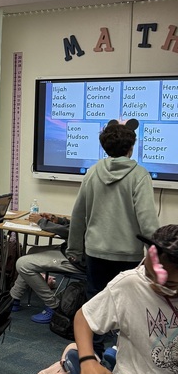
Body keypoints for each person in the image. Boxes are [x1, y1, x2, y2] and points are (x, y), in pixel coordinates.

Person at [74, 225, 178, 374]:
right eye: (151, 274)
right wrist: (88, 360)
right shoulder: (130, 284)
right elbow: (83, 317)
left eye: (169, 282)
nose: (156, 286)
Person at [67, 119, 158, 295]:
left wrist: (75, 250)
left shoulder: (92, 172)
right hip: (128, 256)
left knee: (96, 306)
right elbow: (148, 222)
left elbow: (78, 215)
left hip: (95, 253)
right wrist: (156, 258)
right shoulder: (140, 176)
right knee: (125, 306)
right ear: (130, 148)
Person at [9, 214, 86, 323]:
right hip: (72, 251)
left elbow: (72, 231)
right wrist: (59, 220)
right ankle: (14, 298)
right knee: (32, 252)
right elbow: (78, 225)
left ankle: (53, 306)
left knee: (23, 264)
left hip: (79, 260)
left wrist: (42, 222)